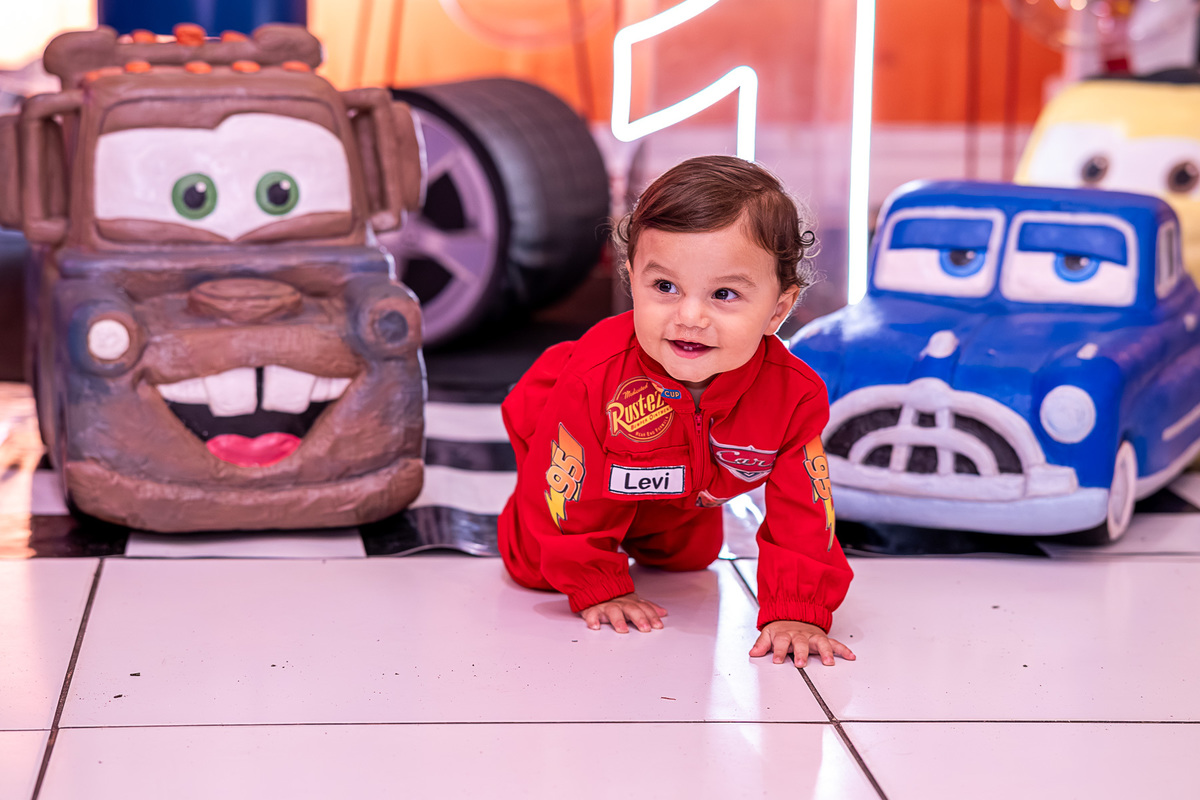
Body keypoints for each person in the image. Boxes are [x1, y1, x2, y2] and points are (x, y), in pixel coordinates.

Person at [497, 155, 855, 668]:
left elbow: (805, 508)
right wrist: (596, 583)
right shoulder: (598, 375)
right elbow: (563, 484)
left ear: (778, 309)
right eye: (664, 287)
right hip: (571, 464)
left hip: (684, 489)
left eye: (724, 294)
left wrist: (798, 608)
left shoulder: (793, 394)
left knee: (687, 560)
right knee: (535, 567)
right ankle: (579, 546)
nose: (689, 317)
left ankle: (644, 529)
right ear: (631, 278)